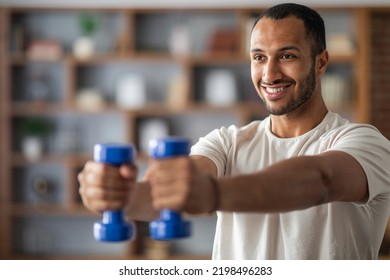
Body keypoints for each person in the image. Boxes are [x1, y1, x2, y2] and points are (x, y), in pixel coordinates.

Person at [78, 3, 390, 259]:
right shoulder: (228, 142)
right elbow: (159, 198)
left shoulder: (364, 143)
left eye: (287, 55)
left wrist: (213, 194)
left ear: (321, 63)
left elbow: (321, 180)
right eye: (259, 57)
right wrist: (114, 195)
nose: (269, 73)